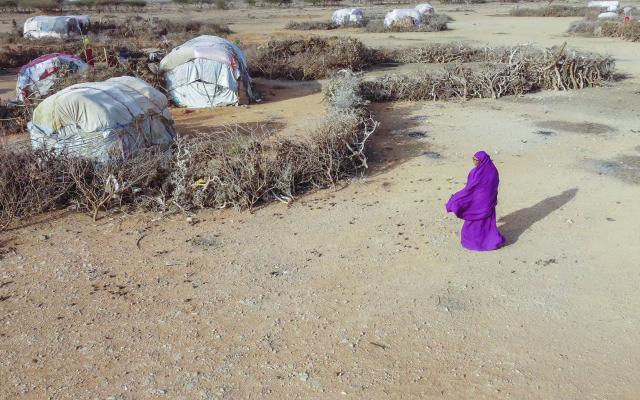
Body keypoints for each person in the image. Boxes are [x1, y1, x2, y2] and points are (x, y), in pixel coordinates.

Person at [446, 151, 505, 251]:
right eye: (473, 159)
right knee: (477, 221)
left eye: (476, 160)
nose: (474, 161)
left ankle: (481, 243)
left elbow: (493, 186)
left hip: (483, 201)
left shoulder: (490, 172)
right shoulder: (477, 171)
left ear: (482, 160)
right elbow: (470, 187)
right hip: (481, 200)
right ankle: (484, 241)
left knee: (478, 220)